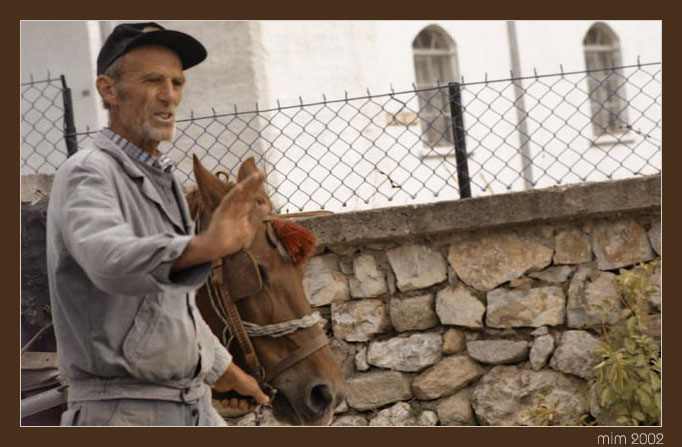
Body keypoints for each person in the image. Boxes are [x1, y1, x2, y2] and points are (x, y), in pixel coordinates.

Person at [46, 22, 270, 426]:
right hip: (122, 413)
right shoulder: (87, 172)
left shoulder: (159, 176)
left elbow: (168, 305)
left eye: (177, 82)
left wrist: (223, 371)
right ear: (108, 90)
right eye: (153, 80)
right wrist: (206, 246)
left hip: (192, 406)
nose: (169, 96)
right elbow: (109, 261)